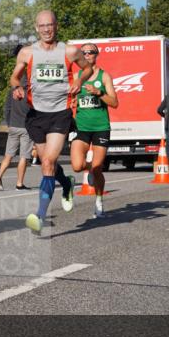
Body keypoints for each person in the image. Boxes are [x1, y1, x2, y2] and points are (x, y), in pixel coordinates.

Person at [10, 10, 93, 233]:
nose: (47, 29)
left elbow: (88, 68)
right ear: (36, 28)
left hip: (60, 112)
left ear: (56, 26)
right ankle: (66, 184)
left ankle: (40, 216)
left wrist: (78, 78)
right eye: (42, 26)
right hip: (36, 115)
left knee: (47, 162)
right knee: (50, 164)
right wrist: (17, 87)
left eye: (50, 25)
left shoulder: (70, 51)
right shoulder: (27, 53)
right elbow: (14, 77)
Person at [69, 43, 118, 218]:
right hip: (81, 127)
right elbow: (70, 99)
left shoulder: (104, 76)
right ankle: (88, 168)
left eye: (90, 52)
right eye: (84, 53)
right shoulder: (77, 76)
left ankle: (98, 201)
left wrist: (99, 93)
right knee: (76, 166)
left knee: (98, 169)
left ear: (96, 55)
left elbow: (115, 103)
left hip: (100, 128)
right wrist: (72, 101)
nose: (87, 55)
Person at [0, 63, 33, 191]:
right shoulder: (30, 93)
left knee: (8, 155)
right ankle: (19, 184)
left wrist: (9, 123)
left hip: (13, 126)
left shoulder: (13, 91)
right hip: (26, 128)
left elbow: (7, 108)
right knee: (24, 157)